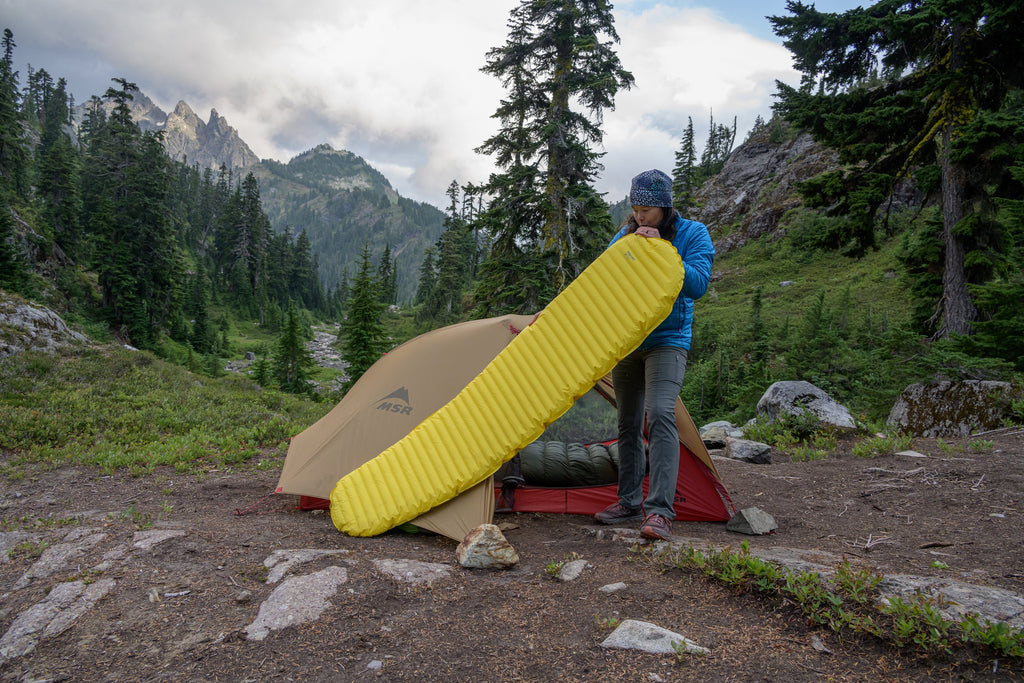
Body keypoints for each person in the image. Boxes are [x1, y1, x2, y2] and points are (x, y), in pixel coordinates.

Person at [594, 169, 715, 541]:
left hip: (668, 340)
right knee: (628, 422)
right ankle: (629, 501)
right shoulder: (625, 235)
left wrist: (660, 248)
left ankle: (660, 511)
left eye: (647, 208)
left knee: (660, 413)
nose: (640, 215)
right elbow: (603, 279)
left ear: (664, 206)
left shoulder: (694, 234)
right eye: (636, 207)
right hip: (628, 341)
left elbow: (697, 285)